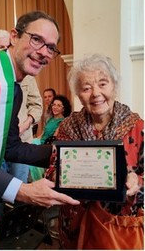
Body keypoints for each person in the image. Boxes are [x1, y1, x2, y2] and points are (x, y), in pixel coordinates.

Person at [0, 11, 79, 249]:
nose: (44, 52)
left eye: (51, 48)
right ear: (14, 36)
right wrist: (22, 190)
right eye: (37, 40)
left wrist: (69, 154)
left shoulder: (15, 91)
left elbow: (12, 147)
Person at [45, 54, 143, 250]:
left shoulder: (137, 127)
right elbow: (52, 170)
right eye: (86, 88)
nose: (96, 93)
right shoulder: (67, 127)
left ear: (114, 86)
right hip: (75, 222)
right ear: (79, 95)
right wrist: (62, 175)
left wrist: (137, 182)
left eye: (103, 84)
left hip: (117, 227)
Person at [0, 29, 43, 183]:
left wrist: (26, 124)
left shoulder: (26, 76)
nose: (6, 52)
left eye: (8, 47)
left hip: (22, 140)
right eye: (1, 48)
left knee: (19, 187)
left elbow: (37, 105)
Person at [28, 95, 71, 182]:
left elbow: (53, 139)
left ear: (64, 108)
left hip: (48, 146)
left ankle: (37, 180)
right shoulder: (50, 119)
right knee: (27, 145)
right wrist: (33, 140)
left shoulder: (63, 121)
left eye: (59, 106)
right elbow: (42, 135)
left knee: (30, 151)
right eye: (54, 105)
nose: (55, 107)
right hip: (40, 143)